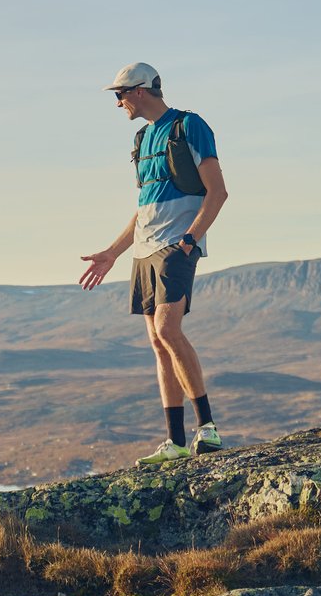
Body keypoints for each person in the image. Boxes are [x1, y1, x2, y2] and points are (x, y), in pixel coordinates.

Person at [78, 62, 228, 467]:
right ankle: (176, 442)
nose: (118, 103)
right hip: (144, 250)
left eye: (120, 94)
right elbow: (144, 209)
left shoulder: (188, 125)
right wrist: (113, 252)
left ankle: (208, 428)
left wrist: (190, 240)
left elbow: (218, 191)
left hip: (175, 246)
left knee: (168, 329)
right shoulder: (142, 138)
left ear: (140, 90)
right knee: (158, 343)